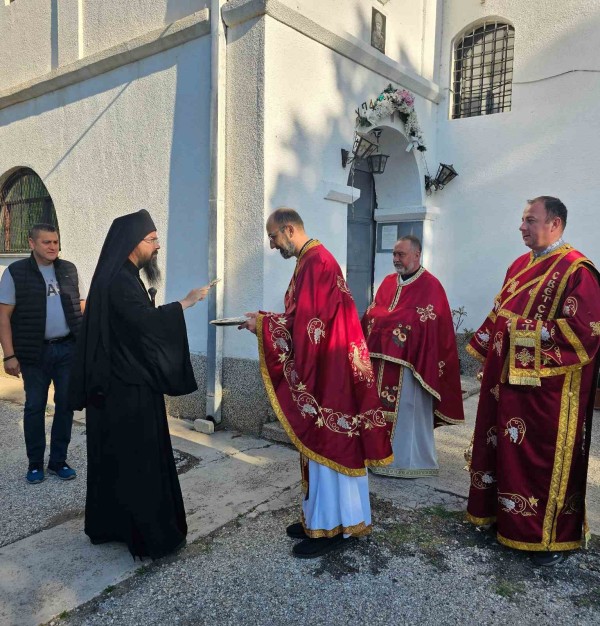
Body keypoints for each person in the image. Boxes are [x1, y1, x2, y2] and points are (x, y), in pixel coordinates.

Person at [240, 207, 392, 559]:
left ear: (289, 230)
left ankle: (338, 527)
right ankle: (318, 519)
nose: (273, 245)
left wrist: (263, 326)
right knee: (320, 448)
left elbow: (309, 326)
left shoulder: (316, 263)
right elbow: (304, 321)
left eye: (274, 237)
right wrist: (264, 321)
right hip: (330, 366)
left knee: (330, 445)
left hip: (330, 371)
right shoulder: (312, 259)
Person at [69, 209, 213, 559]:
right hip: (127, 392)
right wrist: (185, 303)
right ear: (133, 243)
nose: (158, 245)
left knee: (118, 462)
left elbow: (134, 327)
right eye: (152, 240)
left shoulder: (121, 276)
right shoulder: (119, 280)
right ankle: (149, 536)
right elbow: (146, 325)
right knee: (138, 463)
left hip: (118, 389)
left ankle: (114, 525)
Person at [466, 196, 600, 567]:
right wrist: (486, 356)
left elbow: (583, 334)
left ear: (554, 224)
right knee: (505, 452)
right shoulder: (519, 264)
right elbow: (499, 313)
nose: (521, 227)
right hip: (506, 383)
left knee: (538, 461)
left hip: (550, 393)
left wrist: (522, 330)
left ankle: (548, 539)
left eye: (530, 220)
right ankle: (504, 521)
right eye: (522, 220)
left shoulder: (578, 271)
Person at [362, 236, 464, 478]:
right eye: (395, 254)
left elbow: (432, 326)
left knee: (408, 410)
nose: (396, 259)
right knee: (376, 410)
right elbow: (374, 312)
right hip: (380, 363)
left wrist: (391, 323)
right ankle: (377, 456)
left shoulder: (431, 285)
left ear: (417, 255)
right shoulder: (388, 282)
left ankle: (409, 462)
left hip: (412, 368)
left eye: (402, 255)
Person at [0, 223, 85, 484]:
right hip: (34, 353)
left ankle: (58, 461)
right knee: (35, 406)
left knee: (66, 407)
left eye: (56, 242)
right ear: (32, 243)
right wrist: (9, 355)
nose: (52, 247)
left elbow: (81, 305)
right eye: (46, 242)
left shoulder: (69, 269)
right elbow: (4, 316)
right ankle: (35, 463)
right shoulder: (16, 272)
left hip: (68, 350)